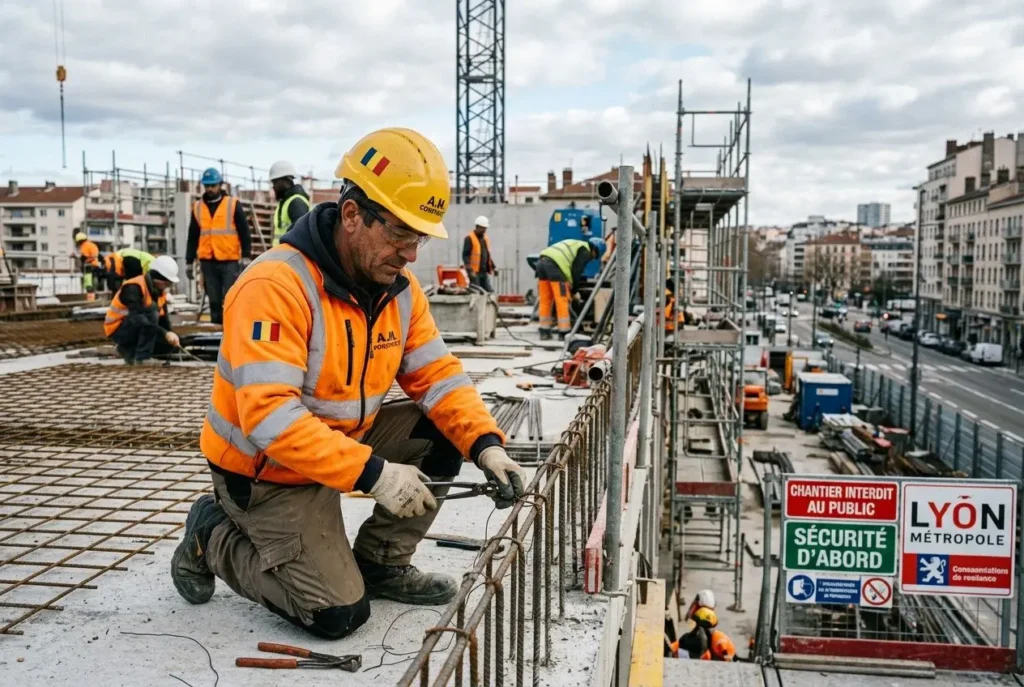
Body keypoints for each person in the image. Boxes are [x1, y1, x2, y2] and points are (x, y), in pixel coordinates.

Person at [170, 128, 528, 640]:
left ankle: (381, 562)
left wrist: (486, 444)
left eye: (419, 237)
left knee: (447, 432)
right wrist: (375, 474)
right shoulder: (275, 286)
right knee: (336, 615)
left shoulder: (399, 290)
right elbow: (269, 417)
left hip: (341, 447)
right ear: (353, 214)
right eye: (400, 234)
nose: (411, 254)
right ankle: (211, 534)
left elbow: (439, 376)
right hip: (266, 472)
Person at [185, 168, 252, 325]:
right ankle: (216, 330)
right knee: (214, 300)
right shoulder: (197, 207)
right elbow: (192, 236)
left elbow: (244, 232)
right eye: (207, 186)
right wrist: (189, 261)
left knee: (230, 297)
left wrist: (246, 255)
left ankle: (232, 328)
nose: (210, 189)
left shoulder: (232, 204)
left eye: (213, 185)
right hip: (208, 261)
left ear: (220, 185)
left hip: (229, 260)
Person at [103, 255, 181, 365]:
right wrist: (164, 333)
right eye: (168, 283)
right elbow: (137, 317)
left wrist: (170, 334)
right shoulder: (133, 287)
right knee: (152, 314)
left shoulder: (159, 293)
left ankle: (128, 350)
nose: (168, 286)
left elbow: (163, 320)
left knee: (167, 344)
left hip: (137, 326)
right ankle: (142, 357)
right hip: (118, 329)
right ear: (158, 279)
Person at [535, 237, 605, 340]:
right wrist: (574, 291)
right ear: (595, 250)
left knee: (545, 300)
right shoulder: (585, 251)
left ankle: (544, 331)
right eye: (595, 256)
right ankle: (564, 333)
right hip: (555, 266)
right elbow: (576, 271)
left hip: (541, 263)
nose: (592, 258)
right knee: (562, 300)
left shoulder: (577, 244)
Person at [269, 160, 311, 246]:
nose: (273, 187)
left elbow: (300, 235)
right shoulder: (284, 203)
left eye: (275, 182)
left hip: (289, 253)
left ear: (285, 181)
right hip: (281, 252)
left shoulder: (296, 202)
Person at [462, 216, 495, 292]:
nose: (484, 230)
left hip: (484, 272)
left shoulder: (485, 238)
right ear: (477, 227)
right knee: (476, 292)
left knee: (490, 292)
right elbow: (465, 256)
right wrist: (470, 271)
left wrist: (493, 267)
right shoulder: (469, 238)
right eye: (482, 228)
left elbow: (487, 255)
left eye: (485, 228)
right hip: (474, 272)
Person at [74, 232, 102, 297]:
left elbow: (92, 256)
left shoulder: (86, 245)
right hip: (91, 267)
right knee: (90, 283)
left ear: (80, 241)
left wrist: (86, 261)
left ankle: (91, 297)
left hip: (90, 267)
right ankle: (92, 296)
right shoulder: (88, 245)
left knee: (89, 284)